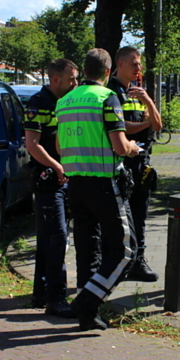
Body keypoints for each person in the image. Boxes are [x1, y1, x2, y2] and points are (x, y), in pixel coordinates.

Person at [56, 48, 140, 330]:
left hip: (75, 184)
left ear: (85, 69)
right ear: (108, 71)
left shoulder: (65, 101)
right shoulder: (107, 98)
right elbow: (119, 145)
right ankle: (87, 302)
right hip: (104, 183)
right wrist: (132, 149)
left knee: (87, 247)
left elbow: (59, 146)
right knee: (126, 251)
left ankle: (85, 311)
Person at [24, 58, 78, 317]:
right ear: (55, 79)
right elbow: (32, 144)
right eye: (71, 79)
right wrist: (57, 166)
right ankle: (57, 297)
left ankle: (41, 293)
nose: (75, 83)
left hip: (63, 179)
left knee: (48, 238)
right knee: (57, 238)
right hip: (47, 180)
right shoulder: (38, 103)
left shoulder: (66, 102)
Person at [107, 46, 162, 282]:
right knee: (120, 218)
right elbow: (121, 128)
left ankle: (138, 261)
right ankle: (119, 263)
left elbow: (158, 125)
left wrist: (148, 101)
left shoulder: (140, 92)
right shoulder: (112, 92)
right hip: (121, 163)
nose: (138, 68)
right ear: (120, 64)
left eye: (139, 64)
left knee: (140, 214)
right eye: (134, 64)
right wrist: (144, 125)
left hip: (141, 163)